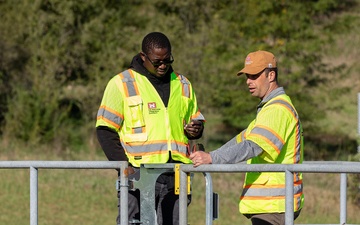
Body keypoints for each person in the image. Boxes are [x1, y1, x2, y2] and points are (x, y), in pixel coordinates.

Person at [96, 32, 205, 225]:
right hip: (138, 174)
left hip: (176, 173)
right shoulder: (121, 83)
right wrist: (123, 167)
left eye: (167, 60)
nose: (163, 65)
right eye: (157, 62)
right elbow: (105, 130)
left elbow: (195, 120)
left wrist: (195, 129)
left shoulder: (183, 83)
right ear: (143, 56)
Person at [190, 50, 304, 225]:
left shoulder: (277, 109)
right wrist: (210, 157)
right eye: (247, 76)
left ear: (271, 75)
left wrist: (212, 158)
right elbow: (241, 140)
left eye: (254, 76)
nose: (248, 81)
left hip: (275, 205)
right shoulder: (268, 109)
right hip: (270, 205)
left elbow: (251, 146)